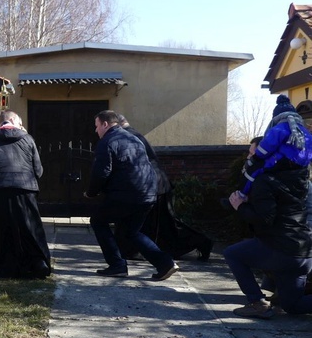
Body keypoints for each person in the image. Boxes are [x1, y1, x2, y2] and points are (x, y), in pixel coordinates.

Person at [84, 110, 179, 280]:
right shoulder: (133, 138)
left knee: (98, 221)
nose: (96, 130)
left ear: (105, 124)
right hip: (148, 193)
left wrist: (91, 193)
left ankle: (117, 265)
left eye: (96, 126)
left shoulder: (107, 141)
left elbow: (101, 172)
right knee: (131, 232)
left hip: (127, 195)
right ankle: (165, 264)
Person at [223, 148, 312, 318]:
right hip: (304, 252)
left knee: (232, 254)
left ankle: (257, 303)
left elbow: (265, 218)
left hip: (282, 248)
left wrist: (240, 206)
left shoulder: (265, 180)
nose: (250, 157)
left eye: (253, 154)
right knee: (292, 305)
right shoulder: (299, 180)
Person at [116, 114, 212, 260]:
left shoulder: (128, 137)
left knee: (164, 225)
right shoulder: (134, 134)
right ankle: (134, 250)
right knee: (162, 224)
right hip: (157, 183)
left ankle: (200, 241)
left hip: (151, 185)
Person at [0, 110, 51, 279]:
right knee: (29, 227)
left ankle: (2, 264)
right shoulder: (27, 138)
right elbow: (38, 169)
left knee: (1, 228)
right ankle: (37, 262)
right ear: (13, 120)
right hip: (26, 189)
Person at [237, 94, 312, 197]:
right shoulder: (302, 130)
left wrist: (257, 157)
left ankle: (241, 195)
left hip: (285, 160)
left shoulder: (280, 128)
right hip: (301, 164)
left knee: (253, 171)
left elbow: (267, 145)